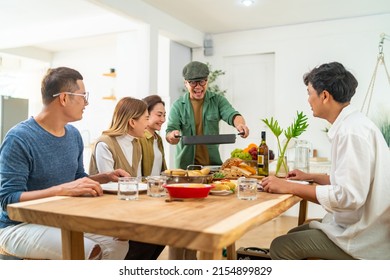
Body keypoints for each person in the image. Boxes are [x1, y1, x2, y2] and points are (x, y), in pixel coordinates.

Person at [261, 62, 390, 260]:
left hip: (363, 238)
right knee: (294, 234)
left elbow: (348, 197)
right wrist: (311, 176)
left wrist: (288, 186)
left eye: (309, 92)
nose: (308, 100)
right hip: (365, 225)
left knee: (281, 246)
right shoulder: (354, 125)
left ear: (325, 96)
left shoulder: (351, 133)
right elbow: (352, 181)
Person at [0, 67, 130, 260]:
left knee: (118, 241)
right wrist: (62, 189)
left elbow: (76, 179)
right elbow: (7, 200)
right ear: (63, 98)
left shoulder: (73, 135)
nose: (86, 102)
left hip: (59, 218)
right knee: (89, 250)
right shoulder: (19, 138)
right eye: (83, 96)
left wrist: (103, 178)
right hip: (17, 226)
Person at [89, 96, 164, 260]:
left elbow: (134, 183)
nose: (147, 124)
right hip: (107, 210)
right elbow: (110, 188)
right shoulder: (105, 144)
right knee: (147, 238)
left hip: (127, 207)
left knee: (163, 232)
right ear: (132, 122)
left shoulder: (136, 143)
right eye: (145, 119)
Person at [166, 61, 249, 170]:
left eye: (202, 82)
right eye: (193, 83)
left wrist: (240, 125)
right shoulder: (178, 106)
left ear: (207, 81)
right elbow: (170, 131)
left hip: (212, 166)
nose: (198, 86)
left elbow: (232, 114)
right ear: (185, 83)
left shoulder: (218, 100)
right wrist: (173, 136)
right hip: (186, 167)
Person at [140, 95, 167, 176]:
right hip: (144, 187)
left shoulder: (158, 139)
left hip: (157, 187)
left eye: (164, 115)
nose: (163, 119)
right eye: (159, 115)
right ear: (146, 114)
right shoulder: (140, 138)